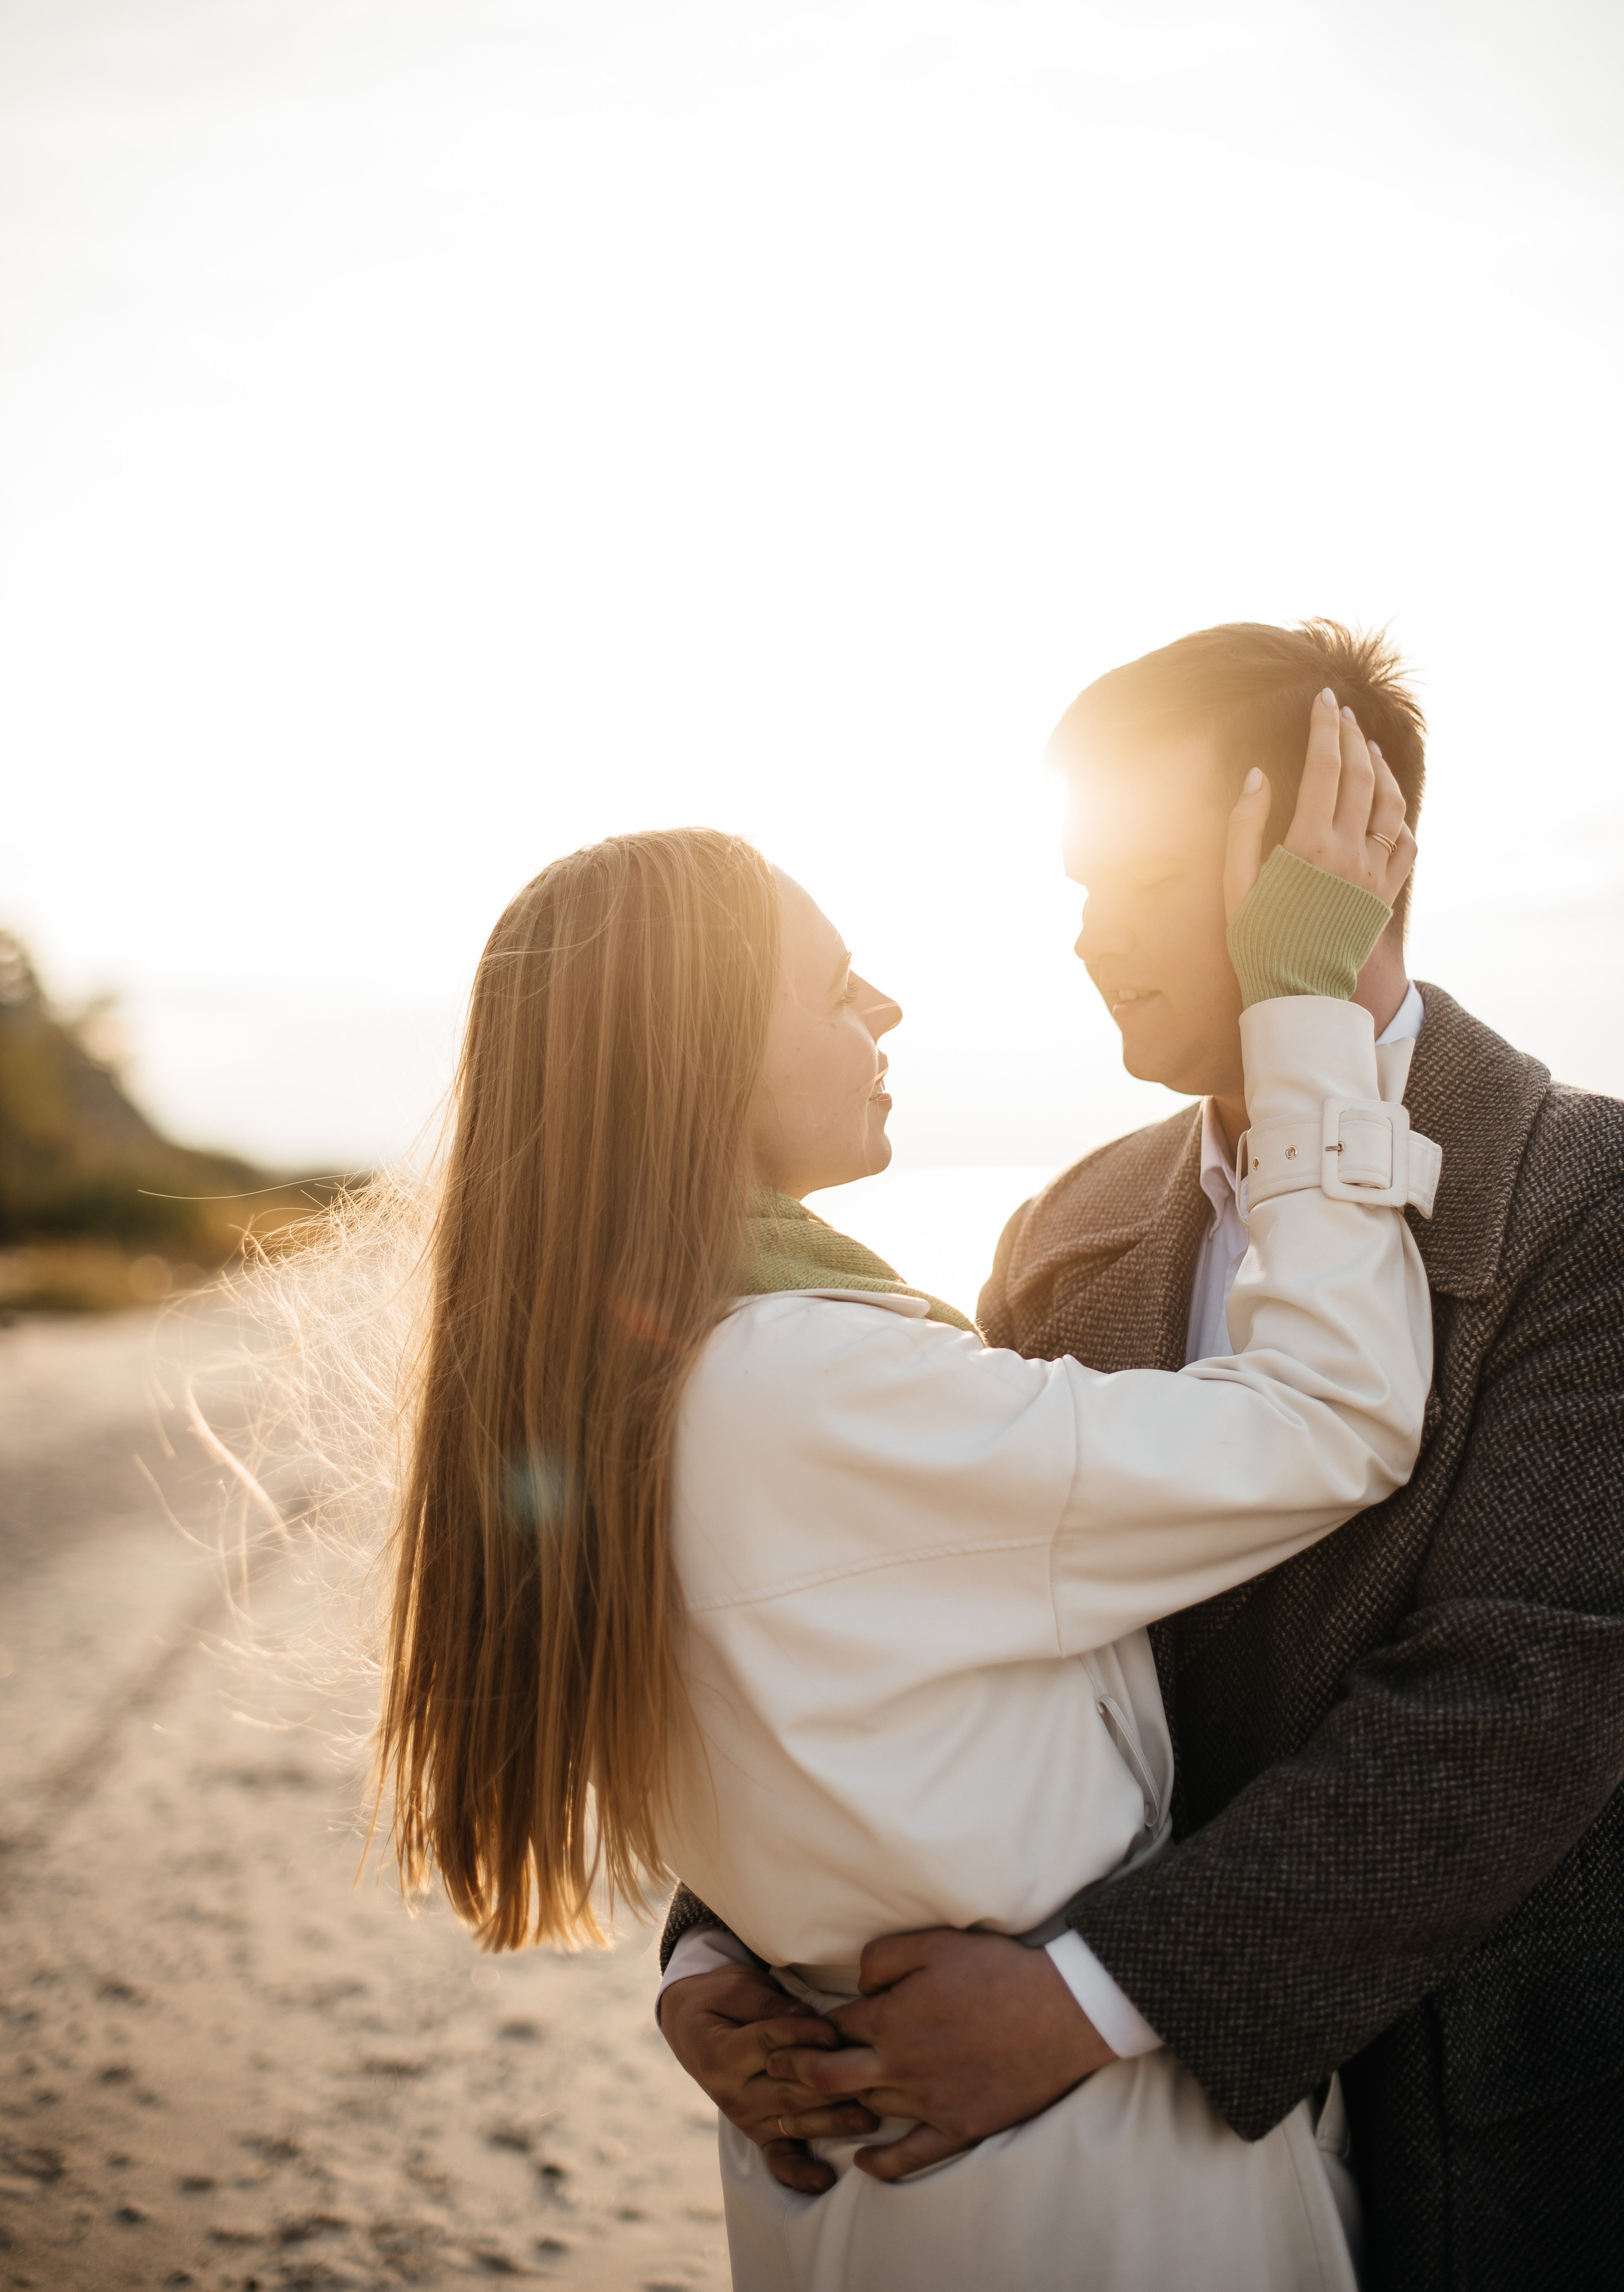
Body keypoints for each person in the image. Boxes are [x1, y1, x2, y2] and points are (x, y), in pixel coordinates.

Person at [380, 689, 1431, 2289]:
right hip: (1075, 2188)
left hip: (869, 2165)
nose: (882, 1004)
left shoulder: (610, 1380)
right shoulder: (807, 1383)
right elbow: (1333, 1417)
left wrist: (709, 1963)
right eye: (825, 983)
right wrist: (1304, 1012)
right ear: (699, 1057)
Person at [658, 621, 1624, 2292]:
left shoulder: (1589, 1204)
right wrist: (716, 1948)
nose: (1087, 939)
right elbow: (883, 1614)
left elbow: (1526, 1697)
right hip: (1072, 2172)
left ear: (1341, 854)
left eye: (1136, 878)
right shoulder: (1069, 1223)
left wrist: (1101, 1997)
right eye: (1073, 885)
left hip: (1471, 2132)